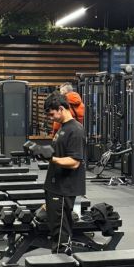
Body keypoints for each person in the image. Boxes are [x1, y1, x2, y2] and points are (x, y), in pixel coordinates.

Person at [40, 92, 86, 254]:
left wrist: (51, 158)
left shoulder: (75, 130)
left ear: (61, 108)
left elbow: (74, 162)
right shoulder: (62, 128)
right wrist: (40, 152)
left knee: (61, 231)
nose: (51, 118)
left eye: (52, 114)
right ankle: (58, 264)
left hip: (65, 188)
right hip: (55, 186)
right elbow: (58, 154)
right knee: (55, 227)